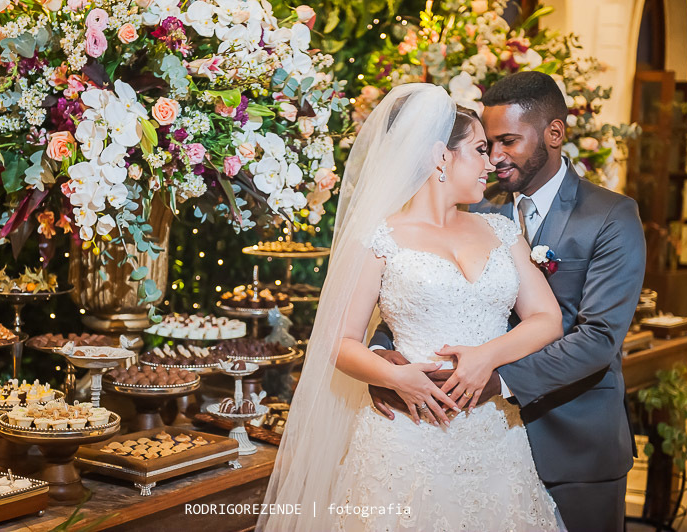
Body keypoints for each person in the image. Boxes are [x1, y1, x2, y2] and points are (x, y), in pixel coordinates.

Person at [258, 82, 566, 531]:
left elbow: (548, 318)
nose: (491, 162)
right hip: (405, 434)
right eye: (479, 149)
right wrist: (397, 376)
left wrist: (487, 356)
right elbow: (339, 342)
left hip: (494, 438)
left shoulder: (500, 230)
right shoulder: (381, 237)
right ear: (442, 156)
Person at [370, 71, 646, 532]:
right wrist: (386, 361)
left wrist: (496, 380)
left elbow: (598, 338)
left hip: (574, 442)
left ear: (554, 133)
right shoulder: (477, 208)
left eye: (508, 141)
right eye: (487, 143)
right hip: (469, 440)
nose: (495, 157)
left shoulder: (611, 216)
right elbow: (416, 290)